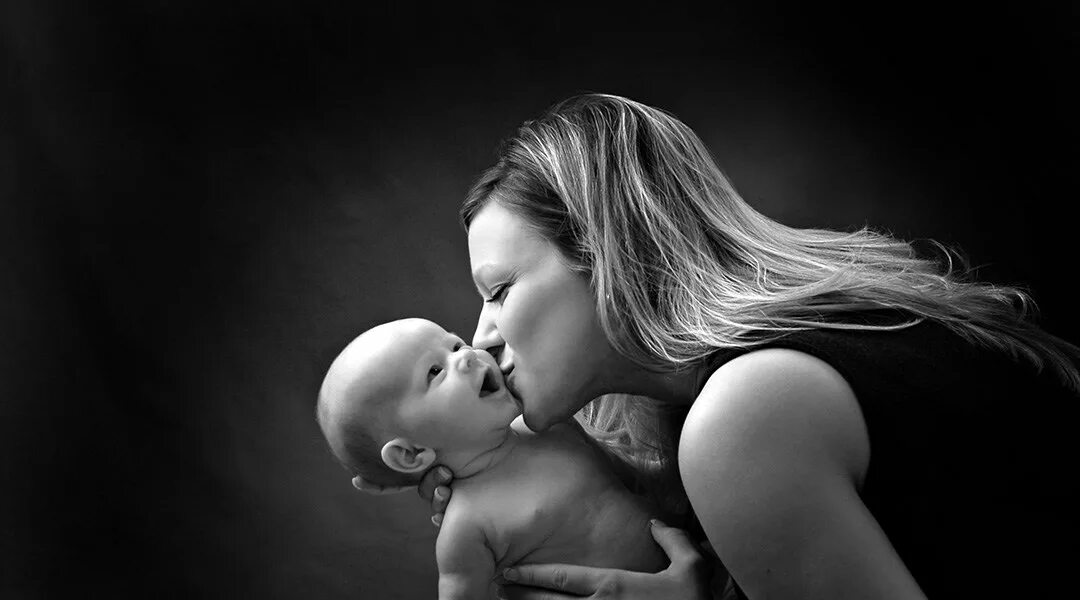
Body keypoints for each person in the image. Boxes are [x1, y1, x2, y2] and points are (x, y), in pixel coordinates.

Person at [353, 94, 1080, 598]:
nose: (479, 336)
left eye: (500, 290)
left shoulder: (745, 415)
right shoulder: (802, 344)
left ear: (606, 252)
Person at [317, 318, 693, 600]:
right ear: (411, 453)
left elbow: (634, 478)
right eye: (435, 371)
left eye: (454, 345)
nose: (466, 355)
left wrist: (696, 471)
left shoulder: (549, 426)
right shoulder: (466, 526)